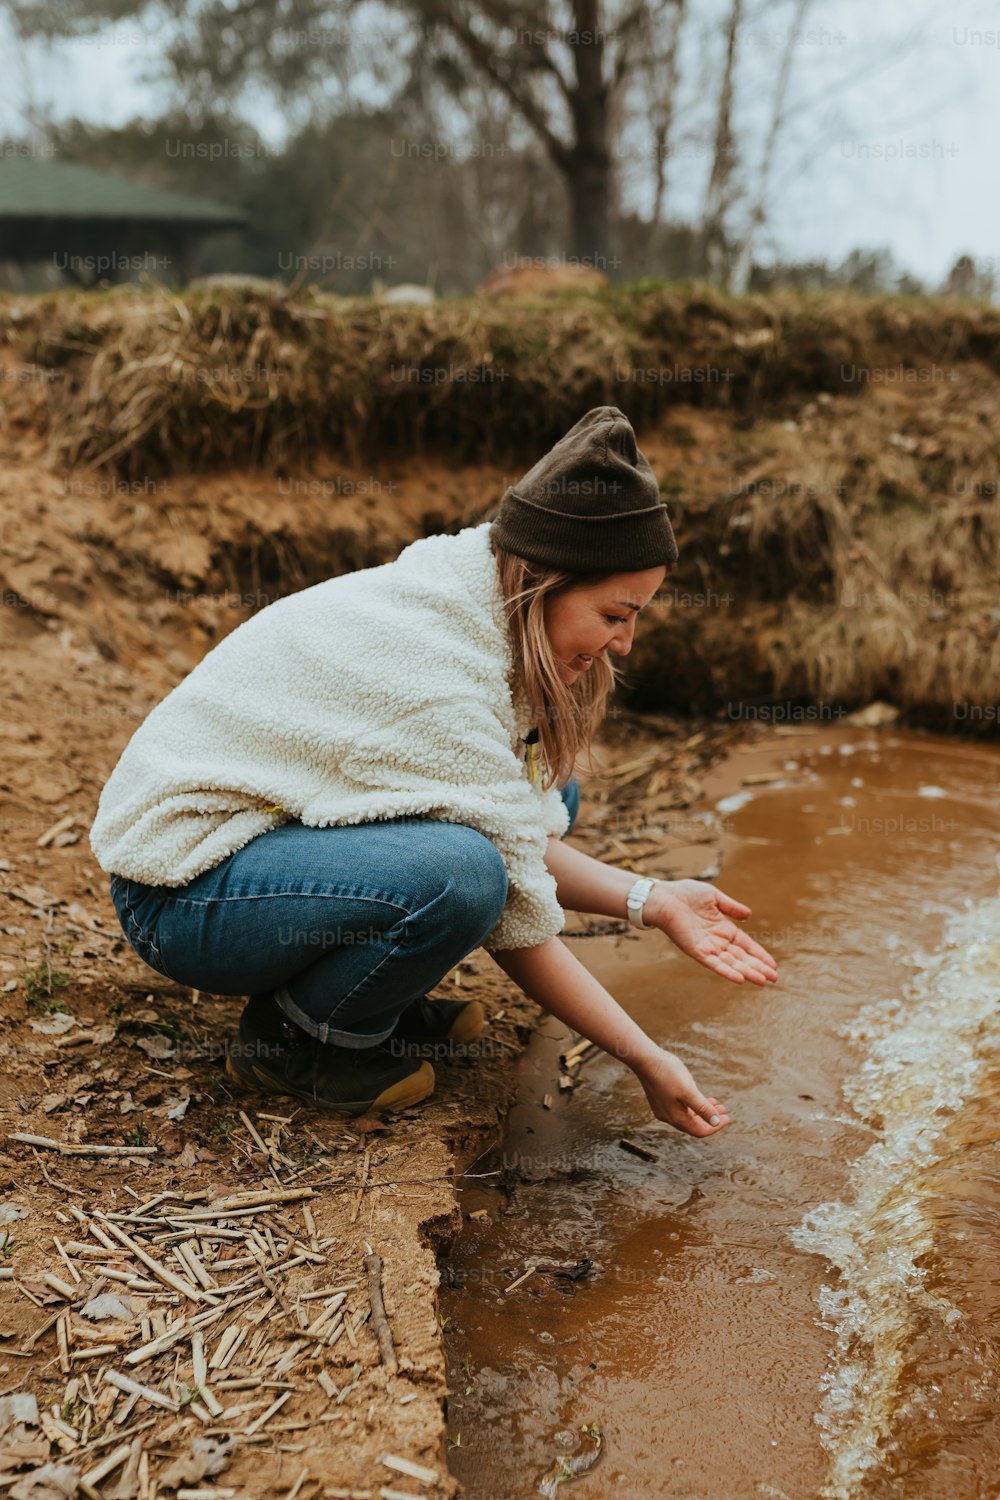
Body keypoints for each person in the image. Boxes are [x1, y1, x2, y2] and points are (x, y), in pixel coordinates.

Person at [90, 406, 777, 1130]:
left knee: (546, 796)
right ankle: (297, 1041)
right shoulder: (436, 674)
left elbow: (520, 834)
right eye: (615, 614)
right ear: (546, 580)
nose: (626, 643)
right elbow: (515, 903)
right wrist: (645, 1057)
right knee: (463, 873)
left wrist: (655, 900)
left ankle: (370, 994)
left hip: (262, 851)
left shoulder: (478, 599)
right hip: (180, 894)